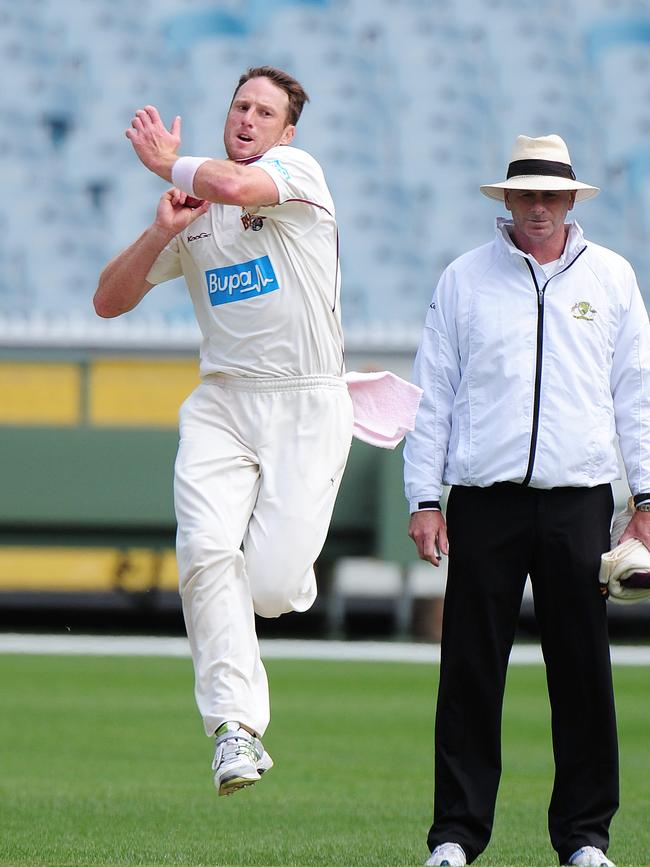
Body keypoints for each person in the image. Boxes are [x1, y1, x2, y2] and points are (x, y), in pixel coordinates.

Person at [93, 66, 355, 796]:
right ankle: (234, 728)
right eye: (239, 105)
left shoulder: (297, 173)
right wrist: (158, 232)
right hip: (223, 403)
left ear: (286, 132)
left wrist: (162, 163)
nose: (247, 119)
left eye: (264, 112)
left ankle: (275, 582)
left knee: (269, 588)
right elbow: (108, 302)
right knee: (206, 550)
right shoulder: (193, 207)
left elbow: (239, 188)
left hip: (307, 402)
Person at [404, 134, 650, 867]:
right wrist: (425, 495)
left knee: (583, 674)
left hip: (579, 501)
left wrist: (647, 496)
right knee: (471, 670)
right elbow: (432, 394)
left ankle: (584, 838)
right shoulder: (464, 280)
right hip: (484, 500)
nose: (539, 206)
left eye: (552, 194)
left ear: (571, 200)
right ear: (506, 199)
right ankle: (455, 834)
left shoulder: (611, 278)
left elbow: (636, 393)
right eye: (526, 193)